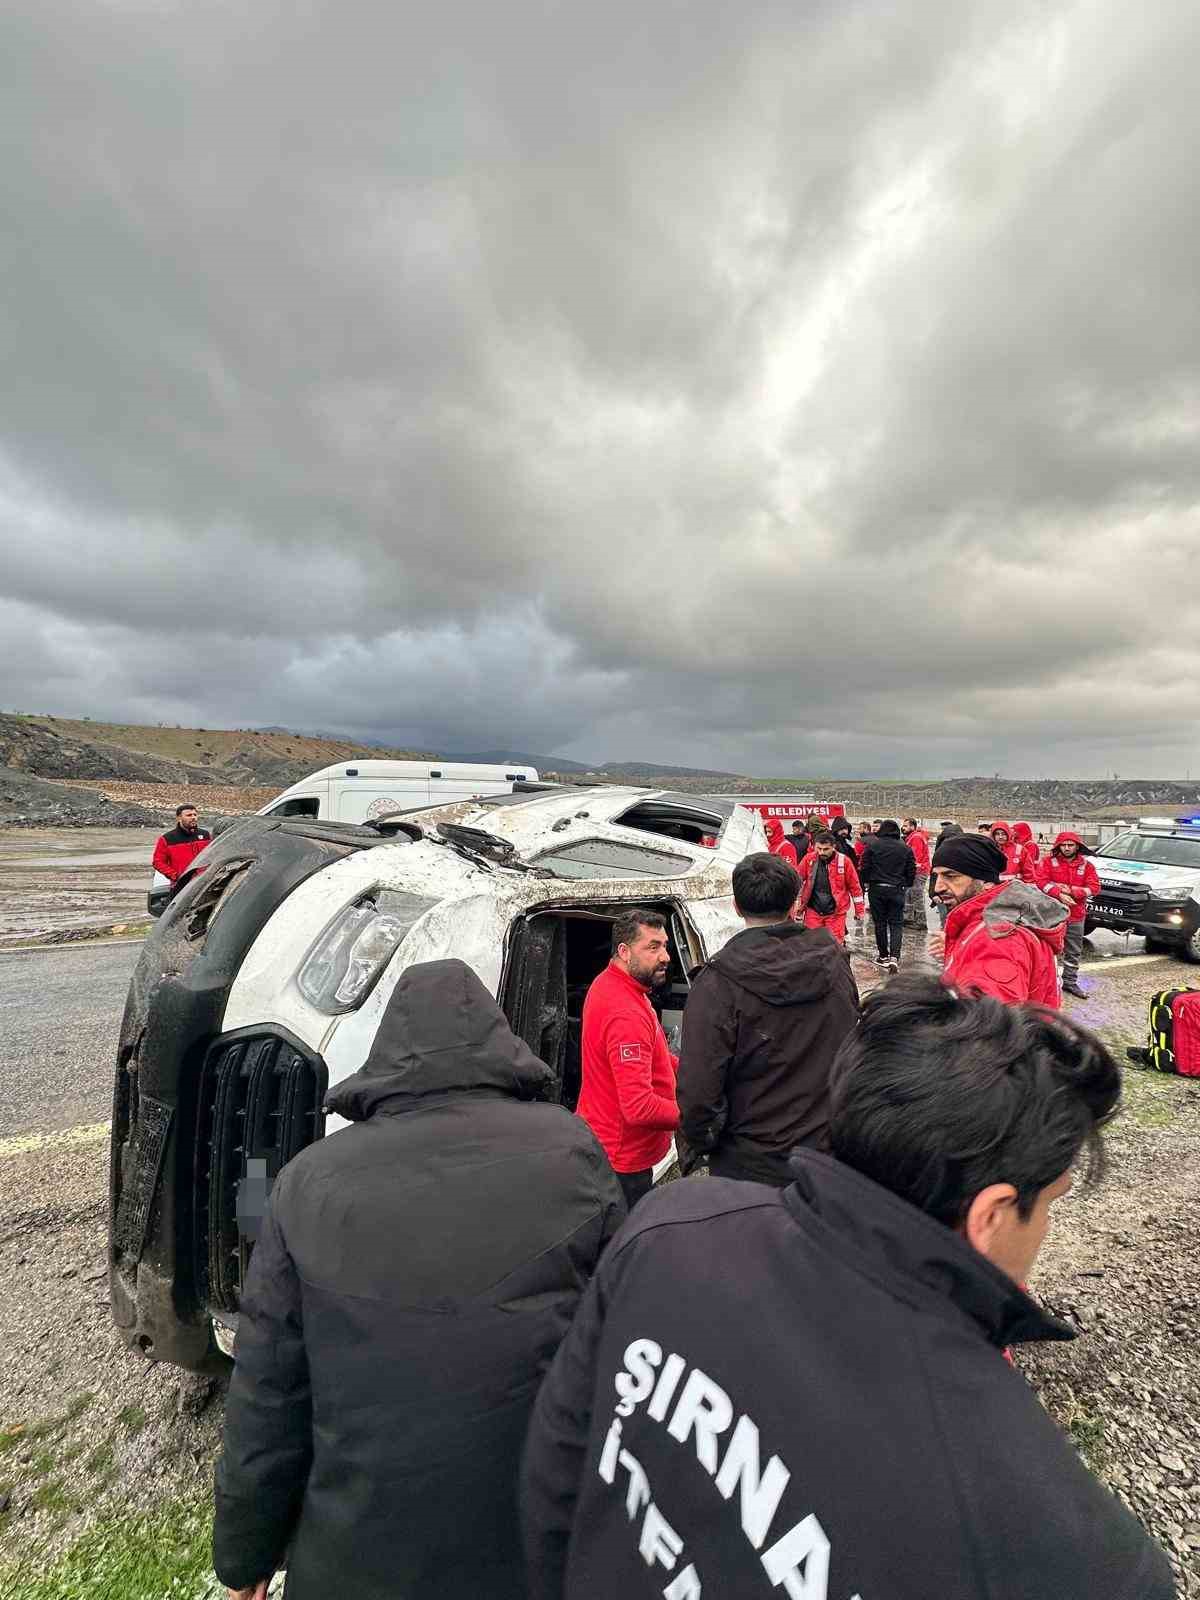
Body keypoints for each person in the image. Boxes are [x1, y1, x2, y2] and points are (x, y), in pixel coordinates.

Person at [520, 975, 1171, 1600]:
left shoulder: (671, 1224)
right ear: (993, 1214)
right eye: (1050, 1202)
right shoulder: (1069, 1552)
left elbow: (555, 1476)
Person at [213, 959, 624, 1600]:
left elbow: (267, 1393)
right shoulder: (573, 1150)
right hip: (538, 1540)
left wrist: (246, 1556)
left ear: (388, 1051)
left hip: (358, 1555)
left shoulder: (306, 1182)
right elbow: (622, 1342)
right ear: (498, 1041)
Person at [675, 851, 858, 1185]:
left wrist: (701, 1144)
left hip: (750, 1162)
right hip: (827, 1154)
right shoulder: (835, 963)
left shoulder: (717, 983)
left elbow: (699, 1090)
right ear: (794, 903)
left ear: (736, 906)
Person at [577, 910, 680, 1210]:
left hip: (604, 1142)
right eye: (653, 947)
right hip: (622, 1160)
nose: (665, 957)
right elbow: (639, 1107)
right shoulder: (625, 1012)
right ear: (624, 951)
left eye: (664, 945)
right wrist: (696, 1114)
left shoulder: (613, 984)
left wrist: (690, 1069)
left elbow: (654, 1055)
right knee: (628, 1233)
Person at [929, 833, 1068, 1006]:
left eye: (951, 876)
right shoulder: (995, 919)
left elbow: (988, 1019)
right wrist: (959, 948)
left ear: (986, 882)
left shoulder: (998, 939)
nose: (938, 887)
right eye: (936, 876)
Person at [1036, 832, 1101, 999]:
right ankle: (1045, 983)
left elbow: (1094, 888)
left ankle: (1070, 982)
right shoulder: (1048, 862)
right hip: (1051, 914)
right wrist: (1058, 893)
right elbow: (1041, 882)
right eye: (1063, 845)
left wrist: (1073, 891)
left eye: (1070, 845)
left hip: (1075, 915)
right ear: (1058, 846)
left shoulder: (1087, 866)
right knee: (1046, 950)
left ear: (1077, 846)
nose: (1066, 848)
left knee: (1073, 951)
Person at [857, 819, 915, 971]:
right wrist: (906, 883)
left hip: (877, 889)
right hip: (896, 889)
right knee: (896, 924)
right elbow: (911, 870)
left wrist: (866, 882)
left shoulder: (873, 846)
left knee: (880, 923)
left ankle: (883, 956)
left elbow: (864, 866)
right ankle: (895, 957)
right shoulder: (905, 848)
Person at [796, 829, 865, 946]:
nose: (821, 852)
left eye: (826, 849)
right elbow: (797, 879)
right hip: (813, 911)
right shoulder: (809, 859)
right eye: (819, 848)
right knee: (812, 944)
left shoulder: (844, 862)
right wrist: (795, 903)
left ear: (833, 847)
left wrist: (859, 910)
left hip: (835, 913)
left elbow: (855, 887)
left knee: (834, 945)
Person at [152, 803, 211, 891]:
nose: (193, 817)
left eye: (195, 815)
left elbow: (213, 856)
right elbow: (158, 862)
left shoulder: (205, 835)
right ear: (179, 818)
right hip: (181, 887)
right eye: (189, 815)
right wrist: (175, 876)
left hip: (205, 884)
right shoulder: (167, 839)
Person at [931, 822, 963, 926]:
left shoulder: (965, 856)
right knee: (945, 921)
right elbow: (934, 875)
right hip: (942, 896)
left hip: (960, 896)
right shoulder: (939, 855)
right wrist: (933, 894)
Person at [901, 817, 931, 928]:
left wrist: (909, 870)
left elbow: (915, 857)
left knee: (917, 896)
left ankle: (921, 922)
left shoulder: (916, 838)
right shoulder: (912, 837)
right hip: (917, 871)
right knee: (909, 894)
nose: (903, 828)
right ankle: (908, 918)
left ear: (912, 827)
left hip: (919, 871)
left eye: (905, 826)